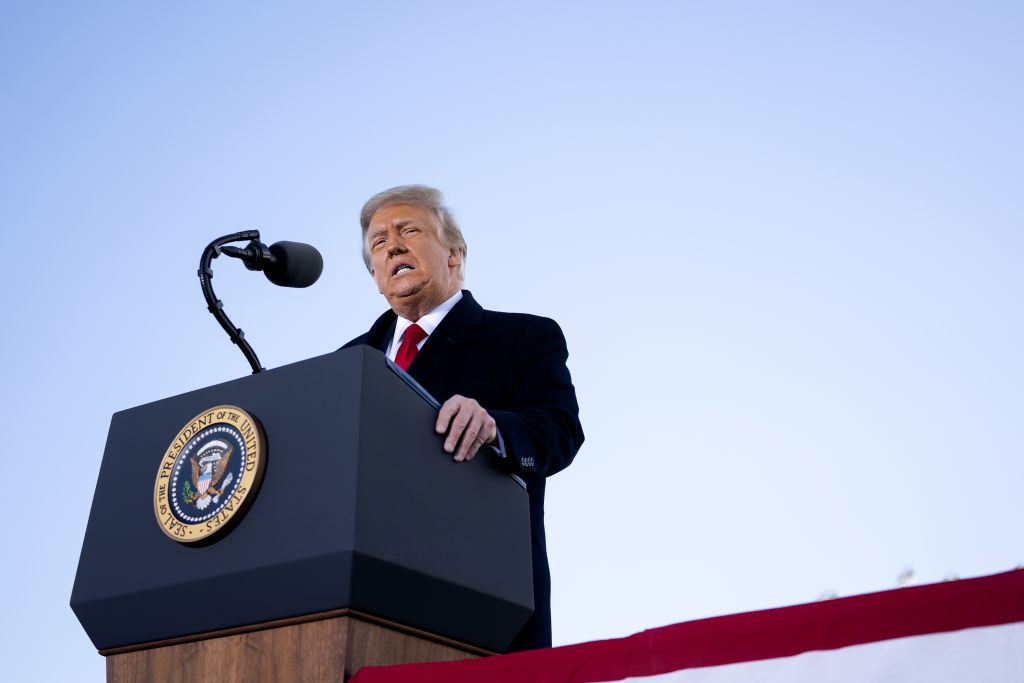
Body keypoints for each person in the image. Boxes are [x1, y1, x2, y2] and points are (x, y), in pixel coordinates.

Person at [343, 185, 584, 651]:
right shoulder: (345, 365)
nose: (392, 245)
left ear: (455, 253)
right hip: (360, 608)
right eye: (378, 242)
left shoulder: (522, 336)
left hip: (481, 605)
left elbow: (560, 432)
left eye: (408, 230)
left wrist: (494, 427)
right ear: (375, 275)